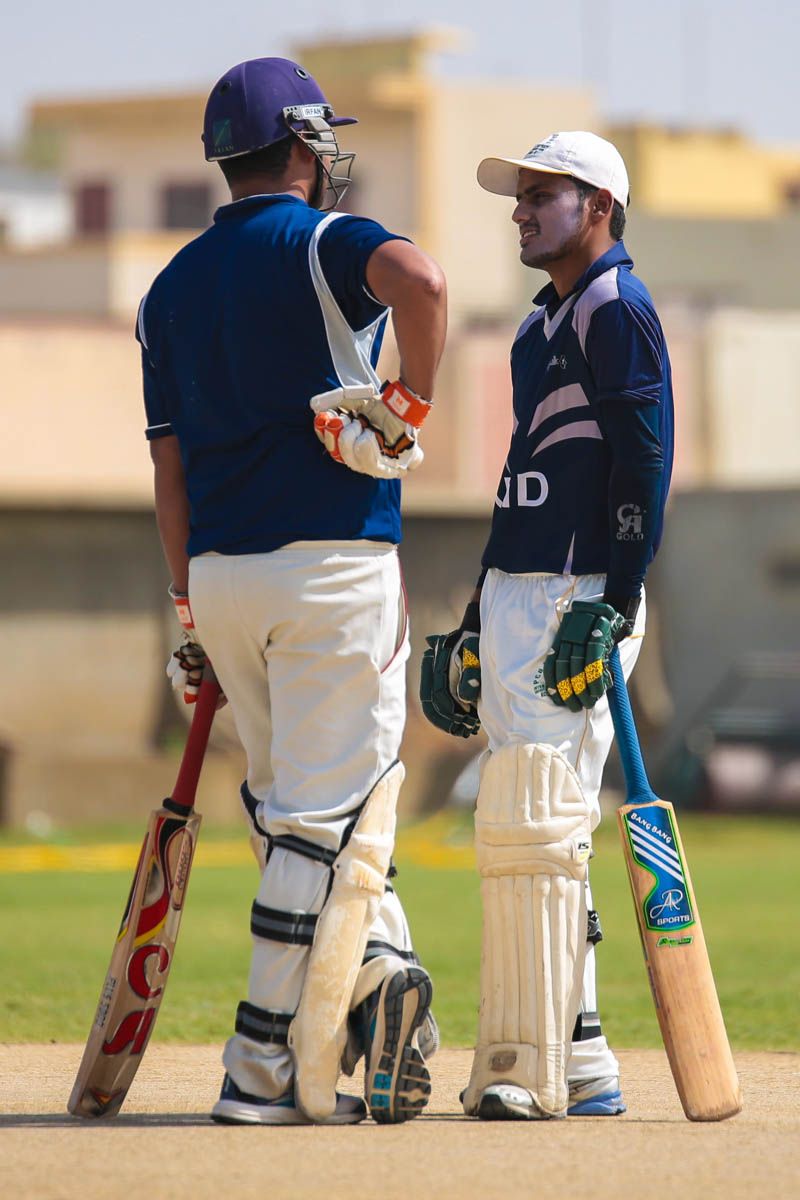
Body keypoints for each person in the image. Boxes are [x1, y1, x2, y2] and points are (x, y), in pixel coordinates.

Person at [137, 56, 447, 1127]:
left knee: (292, 817)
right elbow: (424, 283)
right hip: (332, 564)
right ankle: (259, 1066)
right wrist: (409, 402)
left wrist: (187, 609)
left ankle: (381, 978)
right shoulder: (322, 241)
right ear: (305, 146)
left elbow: (167, 470)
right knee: (330, 818)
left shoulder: (167, 289)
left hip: (220, 576)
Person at [420, 131, 673, 1121]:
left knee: (542, 815)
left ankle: (544, 1062)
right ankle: (583, 1050)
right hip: (521, 588)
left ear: (598, 205)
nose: (521, 212)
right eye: (518, 197)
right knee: (537, 824)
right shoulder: (538, 328)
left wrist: (616, 600)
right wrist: (476, 612)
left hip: (580, 593)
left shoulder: (617, 307)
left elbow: (643, 463)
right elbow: (520, 473)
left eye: (542, 195)